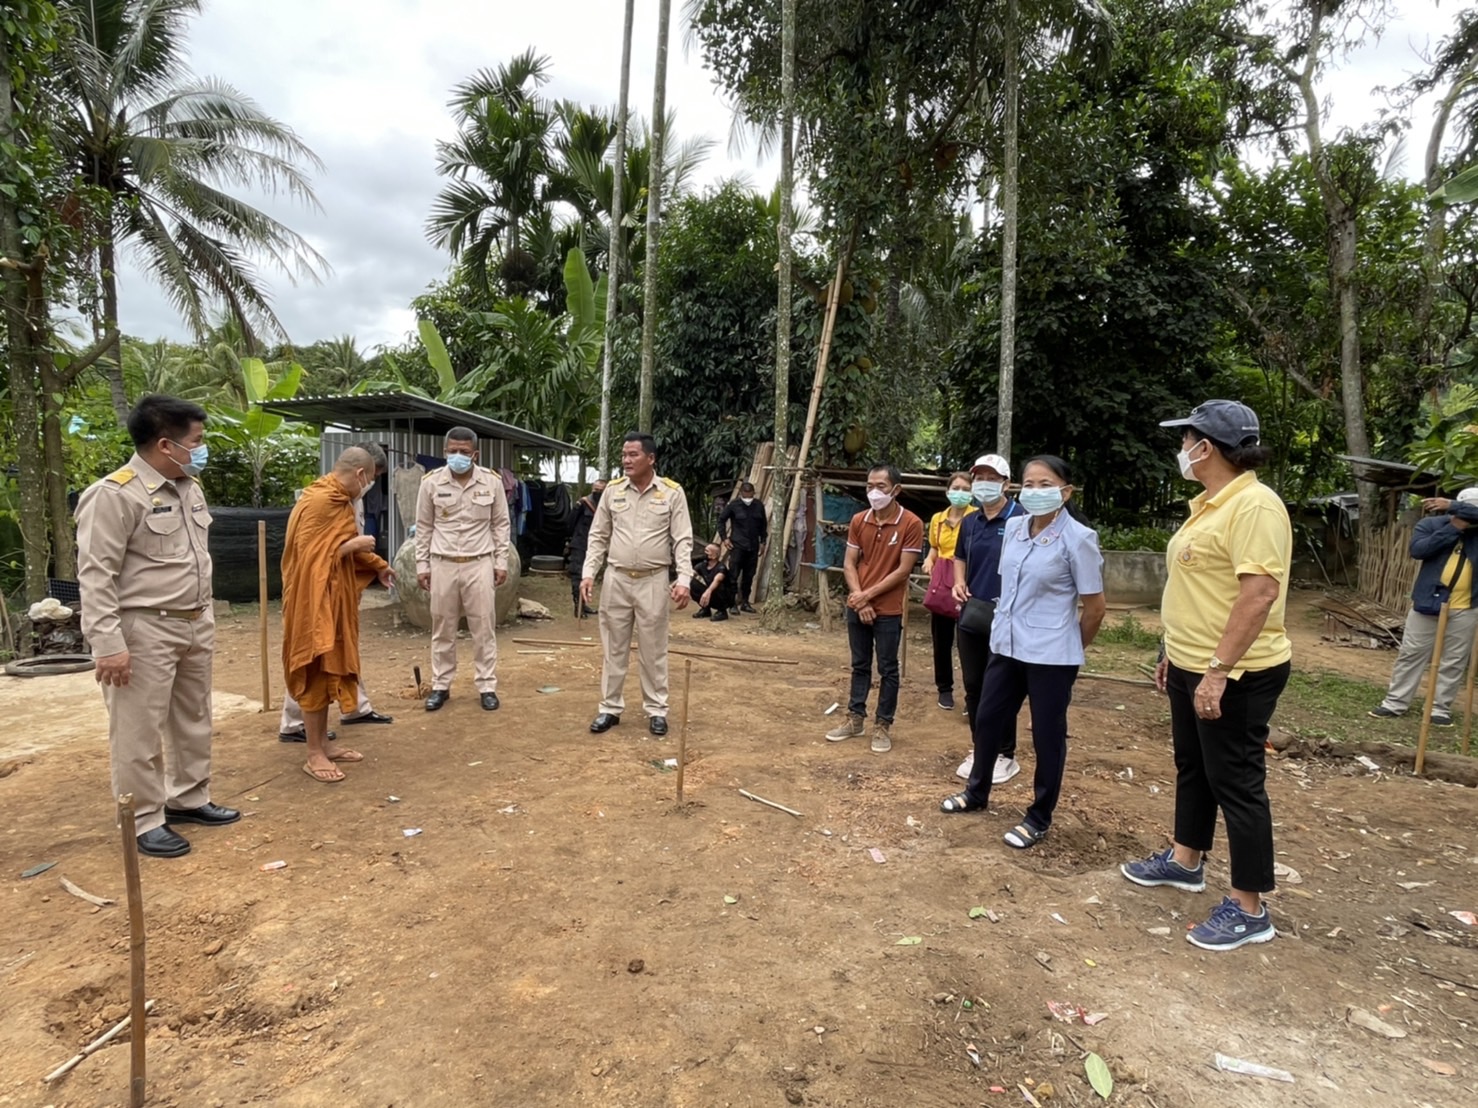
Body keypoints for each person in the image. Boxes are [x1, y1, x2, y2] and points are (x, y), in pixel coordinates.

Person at [1120, 400, 1292, 951]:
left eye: (1186, 439)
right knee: (1193, 765)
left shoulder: (1255, 507)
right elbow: (1200, 591)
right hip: (1192, 661)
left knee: (1237, 782)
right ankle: (1185, 859)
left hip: (1237, 671)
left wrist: (1218, 670)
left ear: (1206, 448)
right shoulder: (1210, 505)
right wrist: (1176, 651)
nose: (1182, 450)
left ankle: (1249, 907)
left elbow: (1259, 594)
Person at [76, 394, 240, 858]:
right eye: (197, 441)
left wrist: (203, 616)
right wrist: (107, 643)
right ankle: (144, 819)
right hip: (143, 628)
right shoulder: (114, 495)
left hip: (194, 622)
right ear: (167, 445)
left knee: (193, 719)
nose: (202, 449)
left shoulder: (189, 485)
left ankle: (189, 797)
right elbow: (95, 574)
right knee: (137, 730)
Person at [939, 456, 1105, 850]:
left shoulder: (1079, 538)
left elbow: (1095, 608)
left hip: (1051, 656)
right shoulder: (1013, 528)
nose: (1034, 491)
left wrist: (1070, 648)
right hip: (1006, 645)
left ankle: (1039, 816)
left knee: (1047, 736)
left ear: (1065, 492)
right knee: (988, 718)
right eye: (1028, 484)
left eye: (1044, 484)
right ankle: (977, 792)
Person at [282, 446, 395, 782]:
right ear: (361, 473)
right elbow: (310, 558)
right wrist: (353, 546)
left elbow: (336, 545)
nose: (371, 485)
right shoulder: (318, 501)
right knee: (316, 670)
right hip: (313, 602)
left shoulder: (340, 500)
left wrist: (379, 566)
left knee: (332, 668)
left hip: (335, 599)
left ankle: (322, 744)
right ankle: (313, 753)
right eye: (372, 478)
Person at [581, 432, 695, 735]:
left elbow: (682, 539)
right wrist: (589, 572)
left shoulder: (671, 493)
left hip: (654, 580)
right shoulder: (613, 491)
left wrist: (684, 579)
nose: (626, 460)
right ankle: (609, 707)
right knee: (613, 647)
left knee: (654, 649)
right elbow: (598, 535)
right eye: (624, 455)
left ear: (651, 458)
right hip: (616, 579)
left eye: (633, 455)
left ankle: (656, 710)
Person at [825, 463, 924, 753]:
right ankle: (855, 718)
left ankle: (882, 725)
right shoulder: (859, 520)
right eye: (870, 485)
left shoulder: (912, 524)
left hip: (889, 608)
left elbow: (902, 571)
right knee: (859, 665)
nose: (874, 492)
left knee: (888, 667)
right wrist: (858, 597)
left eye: (881, 486)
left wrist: (866, 596)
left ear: (896, 490)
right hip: (858, 603)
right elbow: (849, 563)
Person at [414, 427, 512, 712]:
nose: (458, 457)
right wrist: (423, 565)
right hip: (442, 562)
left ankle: (486, 686)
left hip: (479, 562)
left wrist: (500, 562)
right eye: (453, 451)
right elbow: (424, 527)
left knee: (483, 627)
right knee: (443, 627)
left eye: (464, 452)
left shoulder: (491, 482)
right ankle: (441, 685)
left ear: (475, 454)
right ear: (445, 452)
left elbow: (500, 524)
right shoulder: (431, 483)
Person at [1367, 488, 1478, 727]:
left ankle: (1440, 708)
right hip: (1428, 601)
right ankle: (1395, 702)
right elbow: (1419, 550)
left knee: (1454, 659)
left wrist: (1451, 505)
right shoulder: (1431, 524)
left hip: (1467, 606)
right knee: (1412, 653)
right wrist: (1454, 527)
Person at [951, 454, 1027, 782]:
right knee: (973, 684)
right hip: (973, 612)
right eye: (979, 477)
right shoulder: (970, 521)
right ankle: (981, 747)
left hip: (1010, 617)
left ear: (1006, 484)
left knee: (1002, 685)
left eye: (991, 478)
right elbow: (959, 557)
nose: (984, 483)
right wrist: (958, 581)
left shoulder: (1022, 519)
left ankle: (1005, 753)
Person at [921, 472, 977, 711]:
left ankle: (972, 695)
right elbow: (935, 547)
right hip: (942, 583)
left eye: (966, 488)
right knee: (941, 640)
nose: (961, 492)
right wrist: (929, 560)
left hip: (969, 581)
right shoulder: (937, 519)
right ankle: (944, 689)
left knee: (970, 642)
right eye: (956, 487)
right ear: (947, 491)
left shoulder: (977, 517)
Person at [719, 480, 768, 613]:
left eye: (750, 494)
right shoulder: (734, 505)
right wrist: (724, 538)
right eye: (745, 494)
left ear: (753, 493)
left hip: (753, 546)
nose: (748, 497)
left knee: (749, 575)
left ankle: (745, 602)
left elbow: (763, 524)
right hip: (737, 545)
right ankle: (732, 603)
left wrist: (763, 541)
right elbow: (721, 520)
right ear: (741, 493)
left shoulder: (758, 505)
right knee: (733, 575)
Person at [567, 478, 607, 617]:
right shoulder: (583, 504)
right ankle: (578, 607)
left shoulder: (606, 506)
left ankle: (585, 605)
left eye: (601, 491)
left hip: (596, 546)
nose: (598, 493)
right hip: (580, 544)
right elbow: (570, 523)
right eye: (596, 490)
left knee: (590, 575)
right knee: (578, 575)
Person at [692, 542, 735, 621]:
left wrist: (708, 591)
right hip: (712, 593)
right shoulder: (702, 565)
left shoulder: (721, 567)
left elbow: (717, 580)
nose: (704, 553)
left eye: (707, 551)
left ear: (715, 555)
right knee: (691, 582)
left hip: (724, 597)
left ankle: (722, 611)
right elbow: (689, 575)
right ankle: (705, 609)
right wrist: (673, 585)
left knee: (718, 586)